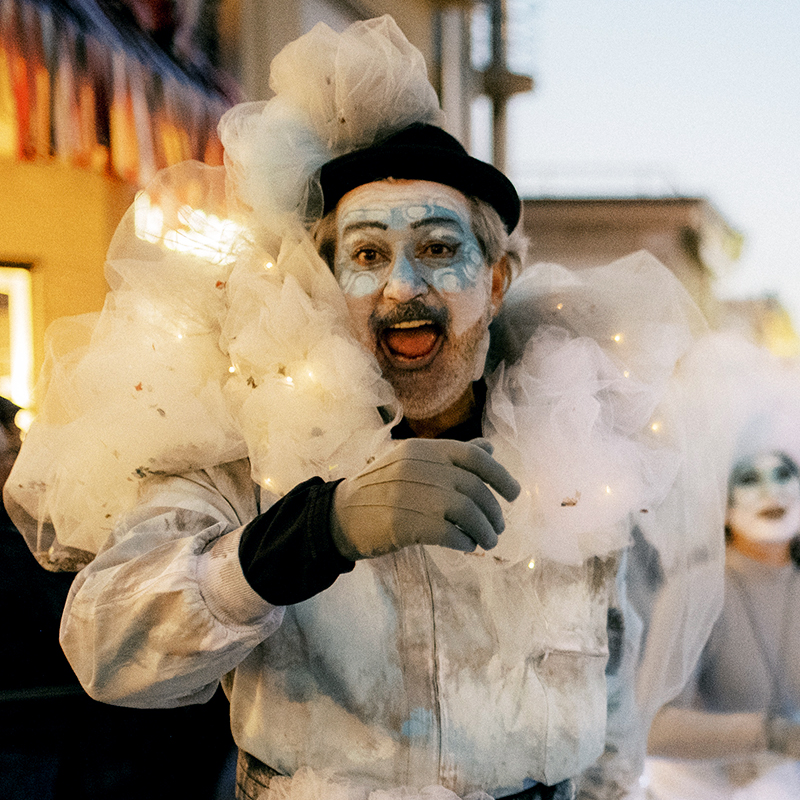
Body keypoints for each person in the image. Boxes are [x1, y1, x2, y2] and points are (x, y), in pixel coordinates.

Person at [4, 16, 727, 800]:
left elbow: (611, 703)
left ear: (495, 282)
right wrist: (308, 536)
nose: (403, 287)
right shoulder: (249, 444)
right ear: (324, 284)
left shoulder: (576, 452)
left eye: (440, 250)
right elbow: (106, 648)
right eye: (368, 255)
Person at [646, 342, 800, 800]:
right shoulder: (697, 590)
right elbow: (652, 729)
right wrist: (774, 737)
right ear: (722, 503)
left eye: (784, 474)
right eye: (749, 479)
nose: (771, 494)